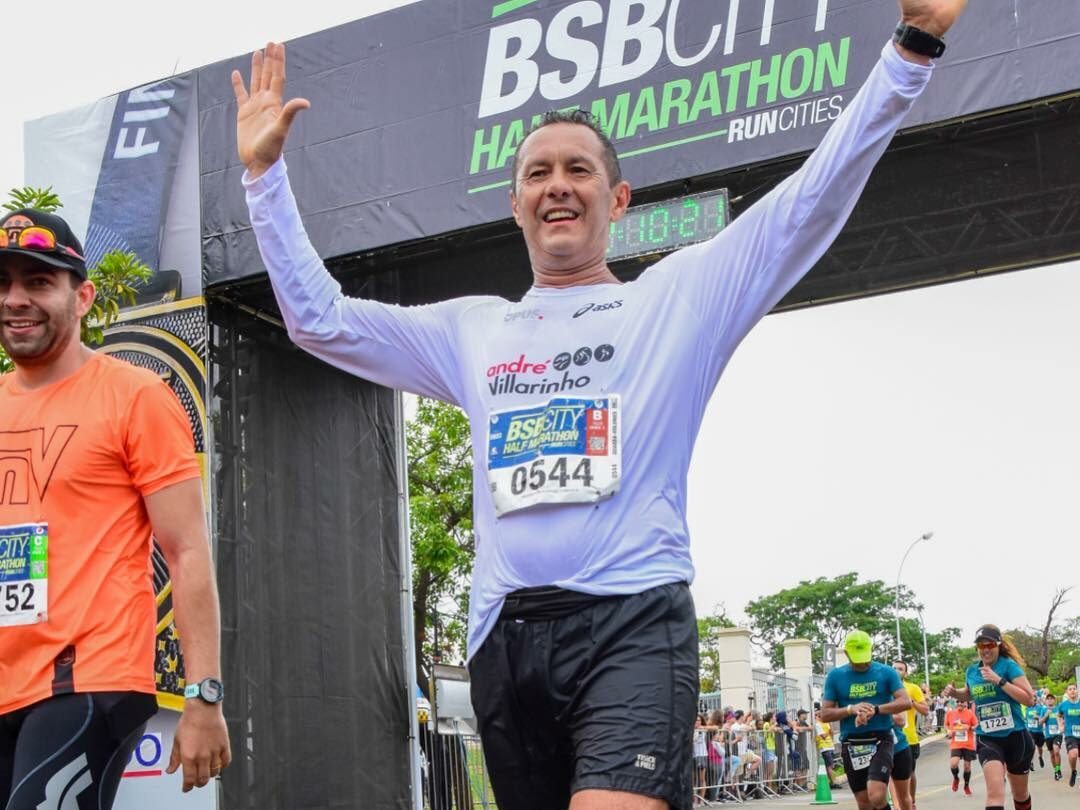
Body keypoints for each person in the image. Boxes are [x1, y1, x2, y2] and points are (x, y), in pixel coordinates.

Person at [231, 0, 967, 805]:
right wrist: (264, 179)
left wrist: (911, 48)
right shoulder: (473, 330)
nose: (557, 186)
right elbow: (319, 321)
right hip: (506, 646)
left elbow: (810, 202)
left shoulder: (677, 300)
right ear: (515, 205)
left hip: (632, 626)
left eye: (579, 170)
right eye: (537, 174)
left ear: (617, 201)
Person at [0, 209, 231, 808]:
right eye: (3, 284)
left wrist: (204, 694)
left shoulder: (135, 396)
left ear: (83, 296)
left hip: (88, 676)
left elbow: (185, 552)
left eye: (38, 282)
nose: (16, 299)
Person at [943, 625, 1036, 810]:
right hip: (988, 738)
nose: (985, 649)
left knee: (1020, 794)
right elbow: (970, 694)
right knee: (995, 793)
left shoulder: (1008, 666)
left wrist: (999, 681)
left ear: (998, 645)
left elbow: (1029, 699)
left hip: (1016, 737)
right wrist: (955, 693)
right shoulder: (972, 671)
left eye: (990, 644)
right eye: (981, 646)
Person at [818, 631, 912, 810]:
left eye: (865, 657)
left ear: (872, 649)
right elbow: (825, 714)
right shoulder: (836, 676)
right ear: (846, 653)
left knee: (876, 795)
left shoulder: (886, 672)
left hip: (881, 738)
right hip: (852, 743)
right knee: (864, 802)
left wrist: (875, 710)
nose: (862, 663)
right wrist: (850, 709)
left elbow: (905, 701)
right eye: (857, 658)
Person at [894, 661, 930, 809]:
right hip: (889, 738)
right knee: (891, 775)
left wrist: (912, 702)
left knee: (909, 773)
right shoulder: (884, 688)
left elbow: (925, 710)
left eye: (900, 669)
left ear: (906, 673)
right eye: (894, 668)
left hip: (909, 738)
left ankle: (911, 801)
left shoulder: (912, 688)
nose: (896, 671)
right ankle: (898, 804)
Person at [945, 698, 978, 795]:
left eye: (962, 702)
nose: (959, 703)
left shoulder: (970, 713)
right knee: (953, 763)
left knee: (967, 767)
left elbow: (976, 725)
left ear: (966, 703)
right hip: (956, 743)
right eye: (958, 702)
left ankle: (966, 786)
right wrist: (948, 731)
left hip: (968, 743)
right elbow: (946, 725)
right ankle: (956, 778)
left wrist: (970, 727)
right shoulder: (950, 714)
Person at [1056, 683, 1080, 786]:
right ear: (1067, 692)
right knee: (1073, 754)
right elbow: (1058, 715)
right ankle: (1074, 771)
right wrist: (1060, 725)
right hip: (1070, 733)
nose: (1072, 691)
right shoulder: (1063, 705)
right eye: (1070, 689)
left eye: (1074, 689)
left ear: (1077, 691)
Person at [890, 715, 914, 810]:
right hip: (876, 751)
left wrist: (878, 711)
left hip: (899, 748)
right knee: (876, 796)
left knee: (903, 797)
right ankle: (896, 806)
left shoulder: (892, 700)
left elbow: (902, 721)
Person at [815, 704, 840, 790]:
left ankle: (832, 782)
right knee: (829, 766)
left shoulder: (826, 723)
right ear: (818, 716)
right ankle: (834, 782)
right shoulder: (818, 725)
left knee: (830, 766)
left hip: (830, 746)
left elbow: (831, 733)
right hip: (824, 747)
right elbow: (823, 736)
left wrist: (830, 733)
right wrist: (829, 732)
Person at [1042, 693, 1063, 781]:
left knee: (1056, 751)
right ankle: (1056, 770)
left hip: (1058, 734)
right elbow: (1040, 722)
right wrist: (1046, 714)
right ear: (1046, 701)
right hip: (1048, 735)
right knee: (1052, 754)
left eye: (1051, 698)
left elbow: (1063, 718)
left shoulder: (1058, 709)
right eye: (1048, 699)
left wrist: (1062, 726)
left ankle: (1058, 771)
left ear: (1054, 700)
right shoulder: (1044, 710)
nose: (1050, 700)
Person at [1023, 696, 1046, 771]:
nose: (1033, 701)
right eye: (1032, 699)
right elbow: (1025, 718)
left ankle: (1040, 757)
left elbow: (1043, 719)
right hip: (1030, 730)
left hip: (1039, 731)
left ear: (1036, 700)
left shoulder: (1040, 708)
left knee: (1040, 747)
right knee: (1032, 746)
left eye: (1035, 700)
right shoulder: (1027, 708)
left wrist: (1038, 717)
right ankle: (1031, 762)